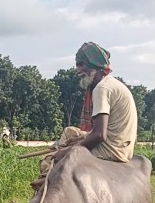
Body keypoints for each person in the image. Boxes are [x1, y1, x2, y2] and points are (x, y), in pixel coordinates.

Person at [28, 41, 139, 191]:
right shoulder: (111, 84)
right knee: (70, 133)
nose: (77, 70)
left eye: (81, 64)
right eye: (77, 65)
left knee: (52, 157)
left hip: (111, 149)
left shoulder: (101, 89)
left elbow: (100, 134)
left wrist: (67, 151)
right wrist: (79, 140)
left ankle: (45, 187)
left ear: (94, 64)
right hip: (120, 144)